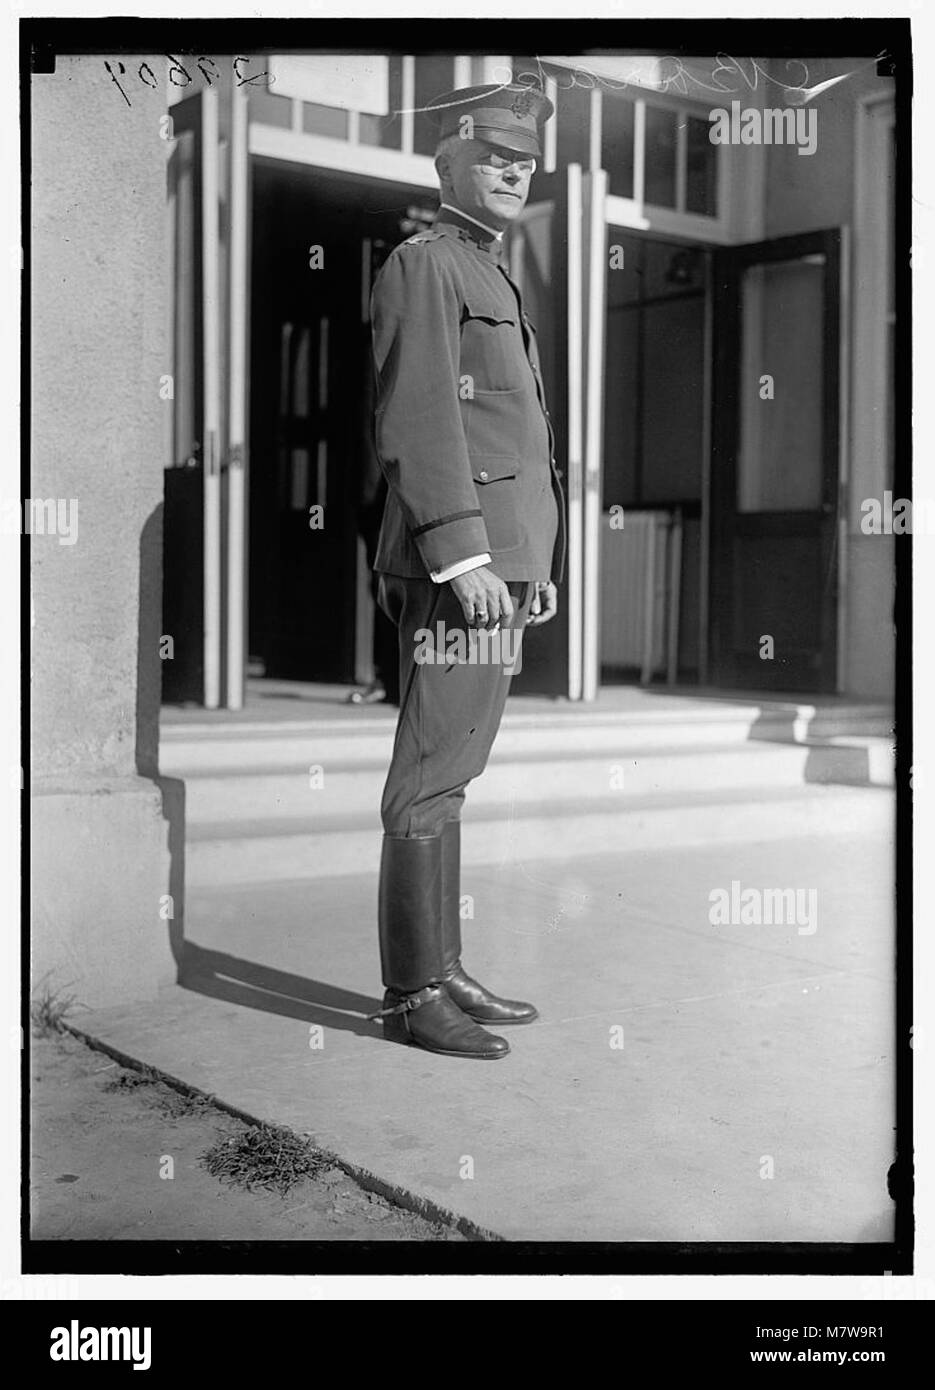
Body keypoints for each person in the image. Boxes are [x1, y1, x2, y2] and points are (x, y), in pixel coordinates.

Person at [367, 83, 566, 1060]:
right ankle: (409, 994)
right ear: (448, 165)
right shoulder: (424, 265)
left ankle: (439, 967)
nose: (513, 170)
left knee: (459, 766)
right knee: (429, 771)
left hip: (497, 567)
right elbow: (418, 419)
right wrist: (462, 550)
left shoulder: (490, 272)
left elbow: (509, 436)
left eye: (523, 161)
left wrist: (529, 559)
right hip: (460, 570)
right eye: (494, 156)